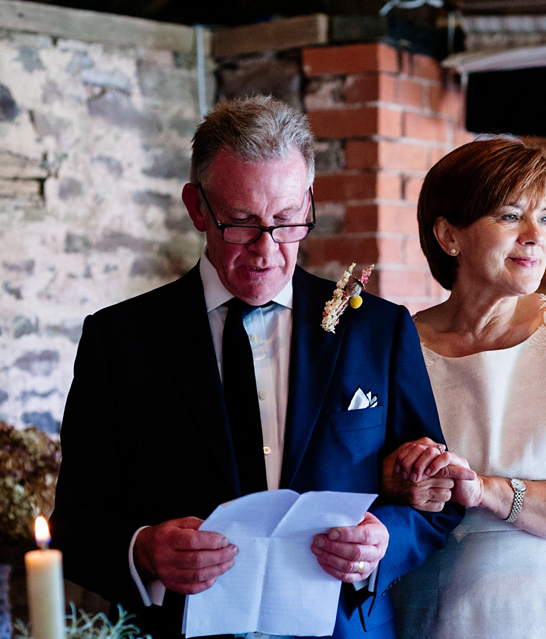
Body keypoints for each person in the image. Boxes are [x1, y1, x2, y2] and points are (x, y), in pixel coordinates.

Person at [49, 95, 463, 639]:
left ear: (309, 201)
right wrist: (144, 550)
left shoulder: (379, 331)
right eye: (241, 224)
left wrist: (384, 541)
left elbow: (437, 498)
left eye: (288, 221)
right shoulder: (119, 340)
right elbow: (75, 525)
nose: (268, 250)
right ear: (197, 207)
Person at [383, 136, 546, 639]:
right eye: (510, 215)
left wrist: (487, 492)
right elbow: (357, 477)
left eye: (544, 217)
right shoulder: (395, 344)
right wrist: (399, 480)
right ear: (448, 235)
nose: (535, 236)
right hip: (425, 606)